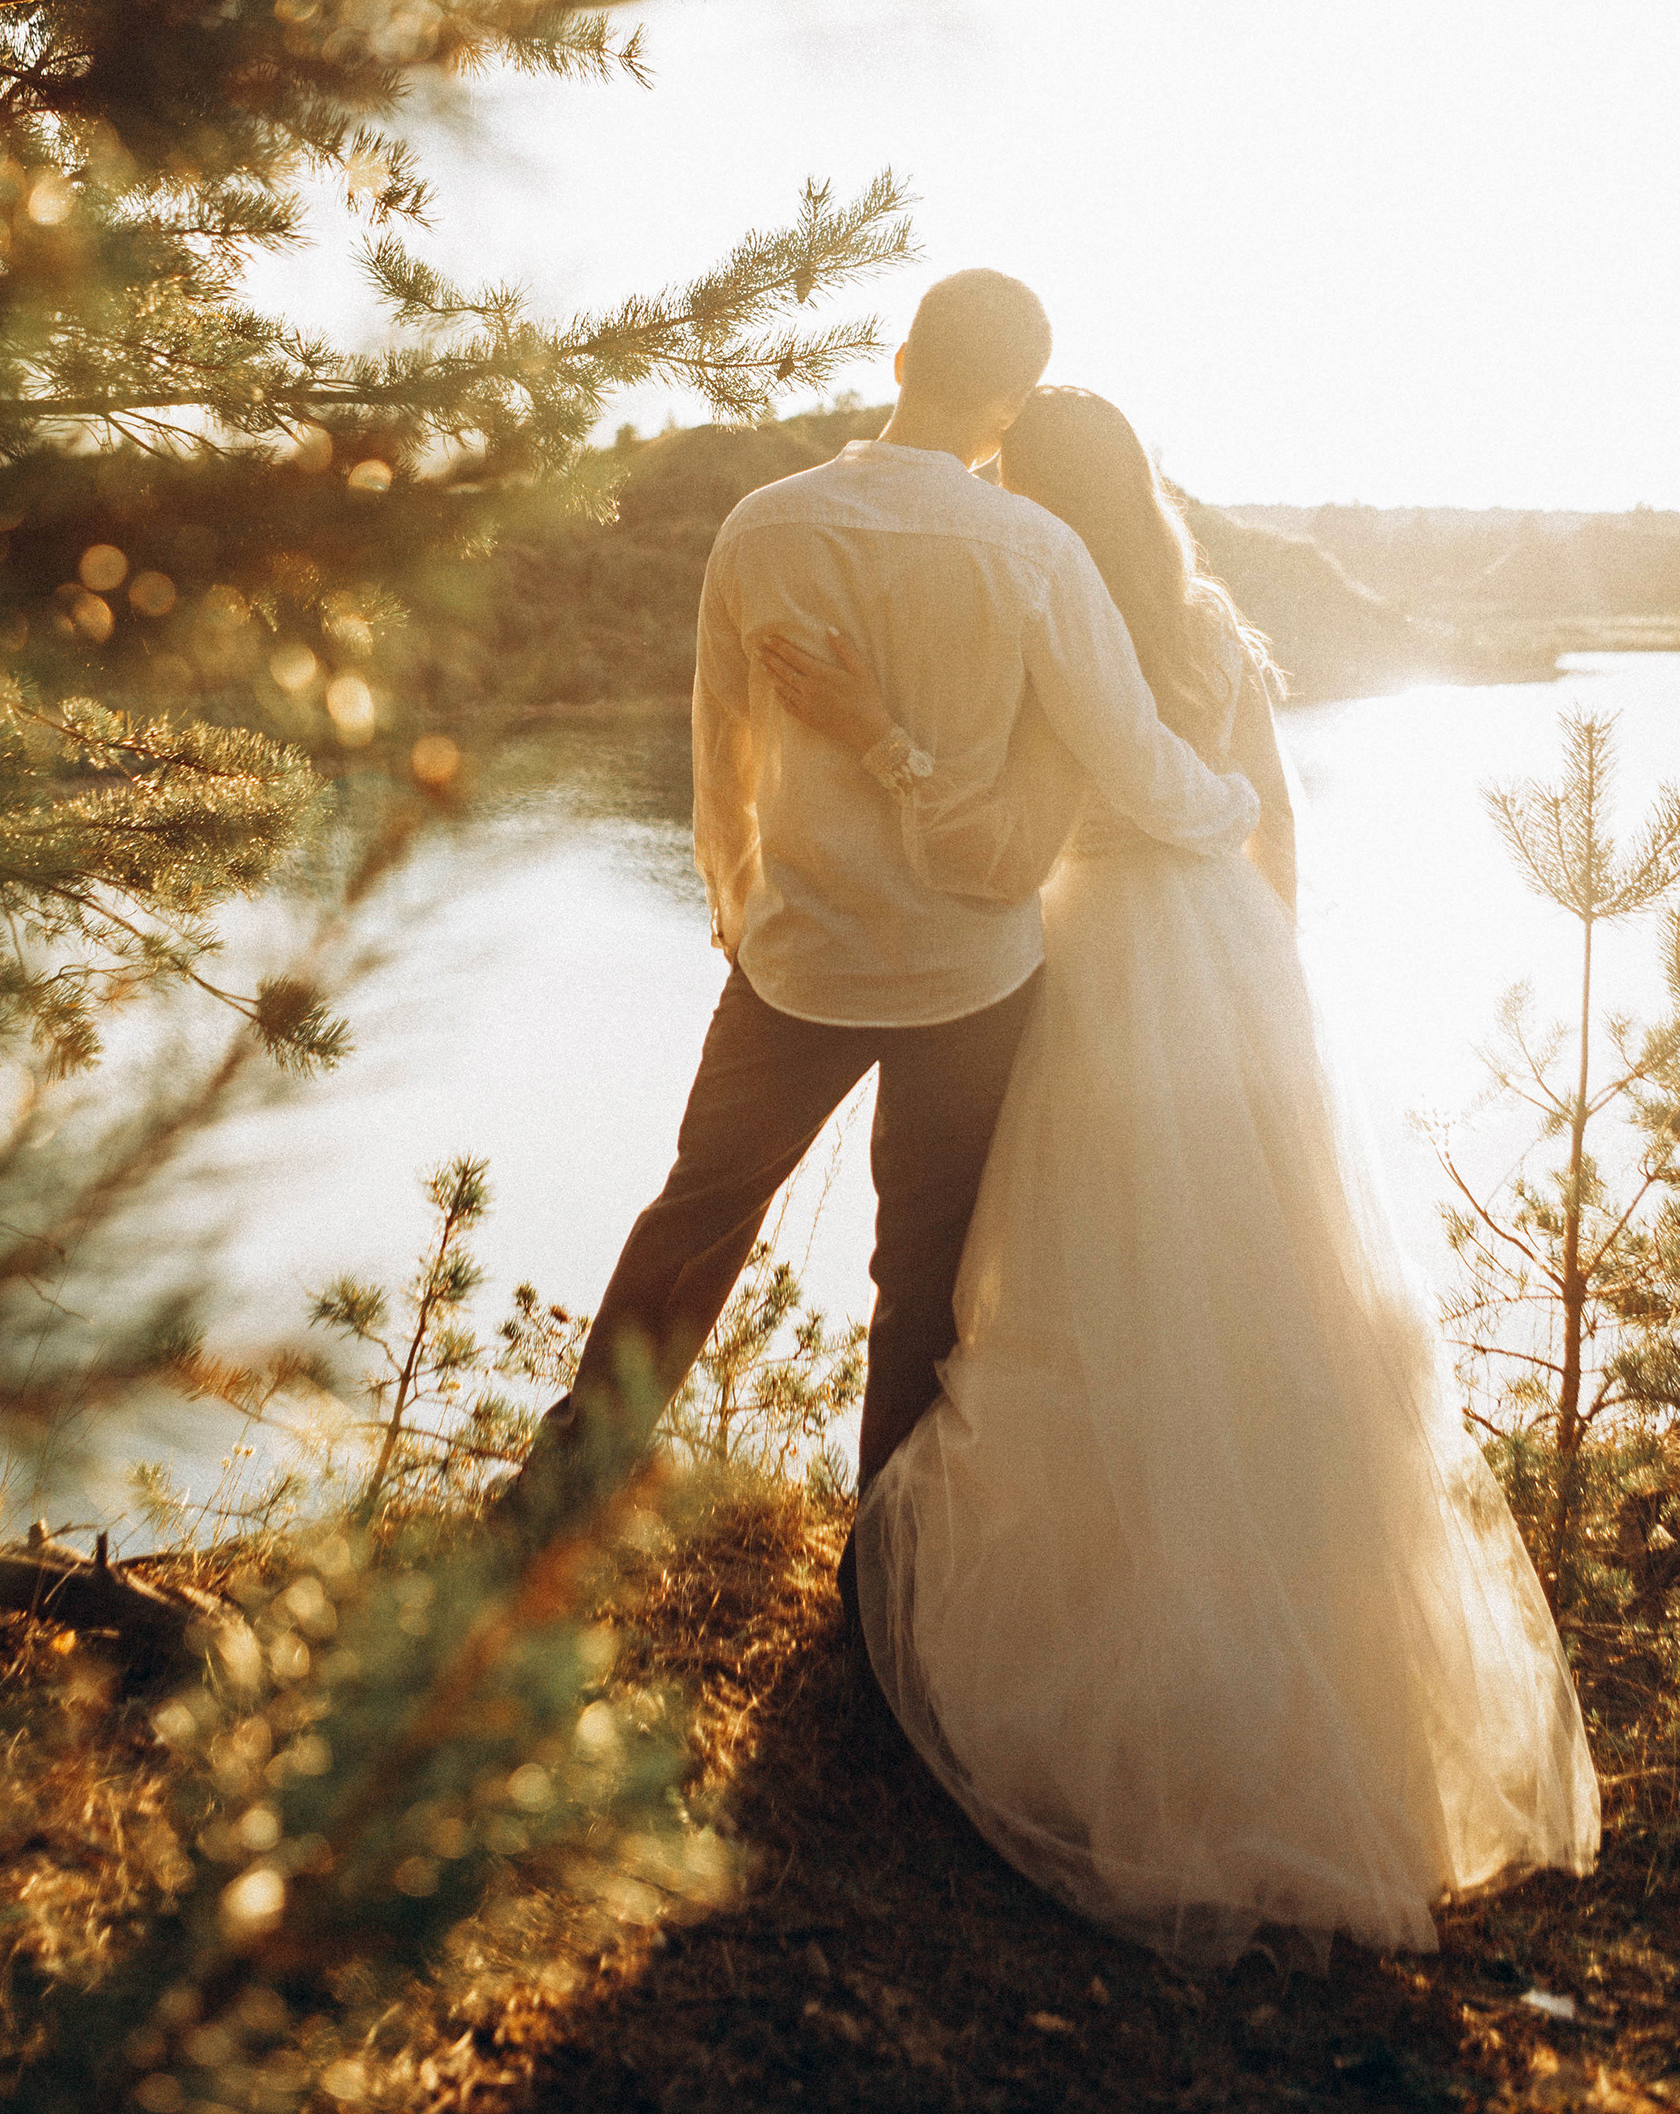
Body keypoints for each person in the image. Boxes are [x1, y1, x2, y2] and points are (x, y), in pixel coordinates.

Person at [757, 385, 1600, 1968]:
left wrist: (874, 732)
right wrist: (1269, 989)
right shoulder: (1209, 622)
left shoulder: (1058, 629)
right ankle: (1337, 1706)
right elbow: (1269, 825)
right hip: (1233, 964)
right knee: (1273, 1309)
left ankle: (1132, 1685)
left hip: (1106, 970)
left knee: (1093, 1298)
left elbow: (1017, 834)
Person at [503, 275, 1259, 1529]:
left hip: (797, 960)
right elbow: (1129, 758)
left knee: (694, 1216)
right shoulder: (1037, 553)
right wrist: (1231, 809)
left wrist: (740, 911)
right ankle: (883, 1563)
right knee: (918, 1279)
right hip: (973, 980)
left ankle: (558, 1498)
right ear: (1009, 406)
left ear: (900, 356)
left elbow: (721, 754)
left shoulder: (762, 524)